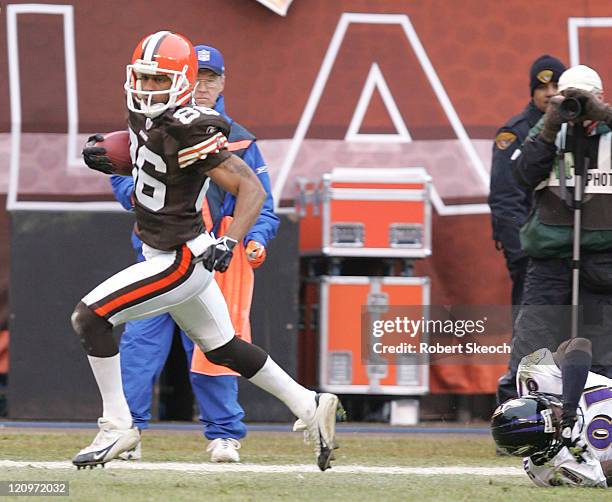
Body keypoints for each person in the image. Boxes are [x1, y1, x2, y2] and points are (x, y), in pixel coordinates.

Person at [72, 30, 341, 471]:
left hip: (179, 258)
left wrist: (232, 239)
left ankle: (117, 426)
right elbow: (150, 155)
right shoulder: (147, 116)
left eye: (159, 80)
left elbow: (251, 188)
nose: (147, 88)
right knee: (225, 348)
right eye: (142, 77)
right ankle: (311, 405)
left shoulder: (191, 124)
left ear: (181, 81)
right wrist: (114, 155)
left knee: (90, 318)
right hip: (171, 251)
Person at [109, 44, 279, 463]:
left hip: (209, 260)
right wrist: (143, 196)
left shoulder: (237, 138)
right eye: (196, 76)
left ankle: (224, 434)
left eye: (211, 78)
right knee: (139, 347)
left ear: (223, 82)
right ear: (182, 77)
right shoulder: (148, 122)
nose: (202, 86)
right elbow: (125, 180)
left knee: (214, 347)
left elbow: (261, 201)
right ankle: (127, 431)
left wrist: (253, 237)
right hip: (157, 254)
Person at [509, 64, 612, 383]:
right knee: (533, 349)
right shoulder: (546, 129)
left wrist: (605, 116)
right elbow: (523, 175)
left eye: (587, 99)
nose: (578, 107)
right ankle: (531, 422)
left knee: (604, 351)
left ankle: (598, 423)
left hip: (603, 258)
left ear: (601, 97)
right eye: (570, 97)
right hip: (550, 258)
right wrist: (551, 127)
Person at [488, 54, 566, 405]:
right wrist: (522, 255)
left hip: (574, 252)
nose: (549, 93)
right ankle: (516, 409)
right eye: (542, 87)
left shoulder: (576, 128)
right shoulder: (515, 134)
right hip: (534, 253)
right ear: (532, 91)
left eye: (555, 86)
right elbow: (505, 200)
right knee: (531, 335)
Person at [491, 338, 612, 487]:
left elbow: (579, 344)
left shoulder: (532, 372)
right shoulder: (549, 468)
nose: (559, 415)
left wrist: (569, 408)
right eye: (555, 425)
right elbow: (603, 474)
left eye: (552, 413)